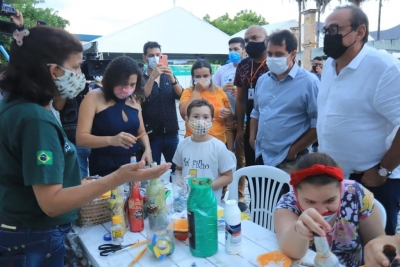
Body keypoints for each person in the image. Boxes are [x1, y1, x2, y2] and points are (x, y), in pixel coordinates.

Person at [0, 10, 171, 266]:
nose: (80, 74)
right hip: (33, 235)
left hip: (22, 231)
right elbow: (51, 203)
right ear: (52, 70)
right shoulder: (34, 119)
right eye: (76, 66)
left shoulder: (19, 105)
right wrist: (119, 177)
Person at [317, 5, 400, 235]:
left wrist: (383, 170)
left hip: (373, 180)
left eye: (335, 29)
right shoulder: (328, 66)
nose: (328, 36)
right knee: (341, 246)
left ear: (360, 32)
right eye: (325, 31)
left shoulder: (384, 68)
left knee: (378, 251)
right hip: (335, 179)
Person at [274, 153, 385, 267]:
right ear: (296, 194)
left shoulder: (356, 195)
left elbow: (377, 243)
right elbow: (291, 252)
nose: (321, 211)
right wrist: (298, 231)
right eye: (310, 202)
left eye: (330, 200)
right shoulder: (288, 204)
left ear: (341, 189)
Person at [250, 29, 318, 170]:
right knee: (262, 193)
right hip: (262, 155)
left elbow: (318, 124)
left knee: (290, 193)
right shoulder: (263, 80)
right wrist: (252, 137)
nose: (273, 58)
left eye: (279, 54)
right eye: (269, 54)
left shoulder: (309, 82)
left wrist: (293, 151)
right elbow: (256, 112)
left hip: (292, 160)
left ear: (292, 54)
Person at [76, 56, 153, 177]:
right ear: (112, 80)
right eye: (123, 84)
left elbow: (142, 131)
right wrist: (111, 140)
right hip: (105, 168)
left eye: (132, 84)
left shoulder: (134, 99)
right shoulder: (93, 98)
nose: (128, 89)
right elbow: (81, 138)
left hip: (134, 164)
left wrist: (148, 150)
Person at [173, 99, 235, 202]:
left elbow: (228, 177)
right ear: (187, 119)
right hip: (187, 201)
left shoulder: (218, 147)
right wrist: (178, 179)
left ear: (212, 121)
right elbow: (178, 169)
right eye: (196, 116)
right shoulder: (182, 145)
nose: (200, 121)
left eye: (205, 117)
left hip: (210, 202)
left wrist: (206, 187)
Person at [213, 37, 247, 211]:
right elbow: (211, 91)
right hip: (226, 120)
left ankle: (240, 195)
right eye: (230, 49)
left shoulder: (249, 68)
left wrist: (240, 95)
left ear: (243, 50)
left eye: (236, 49)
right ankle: (224, 190)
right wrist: (222, 90)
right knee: (226, 156)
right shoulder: (222, 70)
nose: (233, 52)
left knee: (241, 159)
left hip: (244, 120)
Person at [141, 41, 183, 172]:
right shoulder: (140, 78)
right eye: (151, 55)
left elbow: (181, 94)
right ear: (144, 57)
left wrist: (172, 78)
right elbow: (142, 98)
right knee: (153, 171)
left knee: (177, 170)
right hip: (152, 135)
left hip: (171, 133)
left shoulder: (168, 76)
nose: (154, 58)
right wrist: (152, 77)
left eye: (158, 54)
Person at [235, 25, 269, 167]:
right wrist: (240, 130)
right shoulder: (243, 65)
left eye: (255, 38)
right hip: (249, 125)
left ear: (267, 40)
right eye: (246, 40)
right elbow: (240, 99)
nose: (250, 43)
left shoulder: (274, 65)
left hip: (271, 125)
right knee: (251, 166)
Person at [179, 59, 233, 144]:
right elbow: (184, 114)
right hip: (194, 141)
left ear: (211, 76)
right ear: (193, 77)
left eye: (205, 76)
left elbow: (230, 120)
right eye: (198, 76)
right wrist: (197, 91)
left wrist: (227, 114)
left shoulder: (219, 91)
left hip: (218, 141)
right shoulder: (188, 91)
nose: (202, 79)